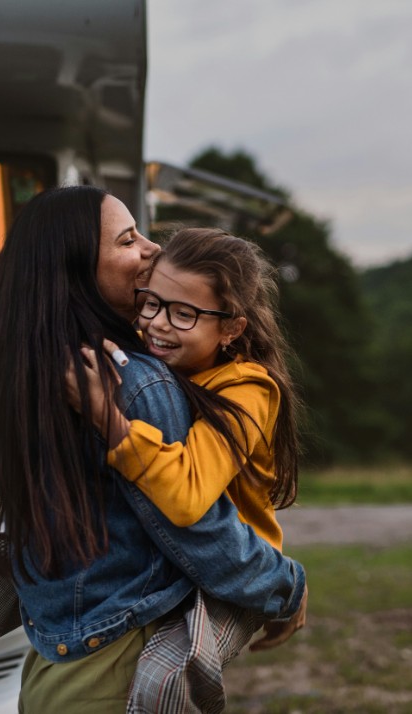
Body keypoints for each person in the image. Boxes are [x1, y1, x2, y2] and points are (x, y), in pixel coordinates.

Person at [0, 187, 306, 714]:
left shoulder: (38, 365)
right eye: (128, 239)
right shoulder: (133, 384)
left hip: (59, 661)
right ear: (77, 268)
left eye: (182, 312)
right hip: (111, 662)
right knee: (170, 676)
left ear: (232, 328)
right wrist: (284, 584)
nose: (154, 249)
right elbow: (194, 526)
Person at [70, 227, 303, 710]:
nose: (156, 324)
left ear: (231, 329)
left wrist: (109, 421)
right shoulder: (154, 358)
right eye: (151, 303)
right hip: (176, 564)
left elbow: (188, 494)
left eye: (184, 314)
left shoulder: (248, 390)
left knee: (163, 680)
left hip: (233, 576)